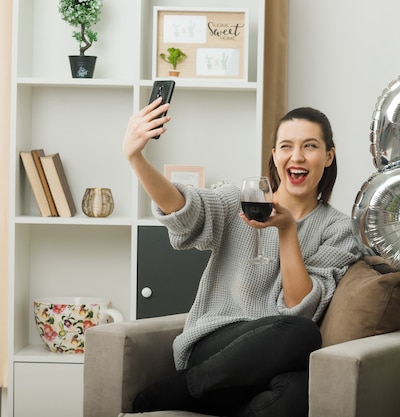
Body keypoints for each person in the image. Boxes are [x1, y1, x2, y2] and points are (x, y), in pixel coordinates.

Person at [122, 98, 361, 417]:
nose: (297, 156)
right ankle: (178, 389)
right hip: (213, 349)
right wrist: (136, 157)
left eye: (311, 146)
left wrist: (287, 230)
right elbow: (184, 209)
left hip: (268, 362)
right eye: (286, 146)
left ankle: (197, 396)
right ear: (275, 156)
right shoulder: (239, 200)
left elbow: (300, 306)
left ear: (329, 156)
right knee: (302, 334)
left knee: (299, 387)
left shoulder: (340, 228)